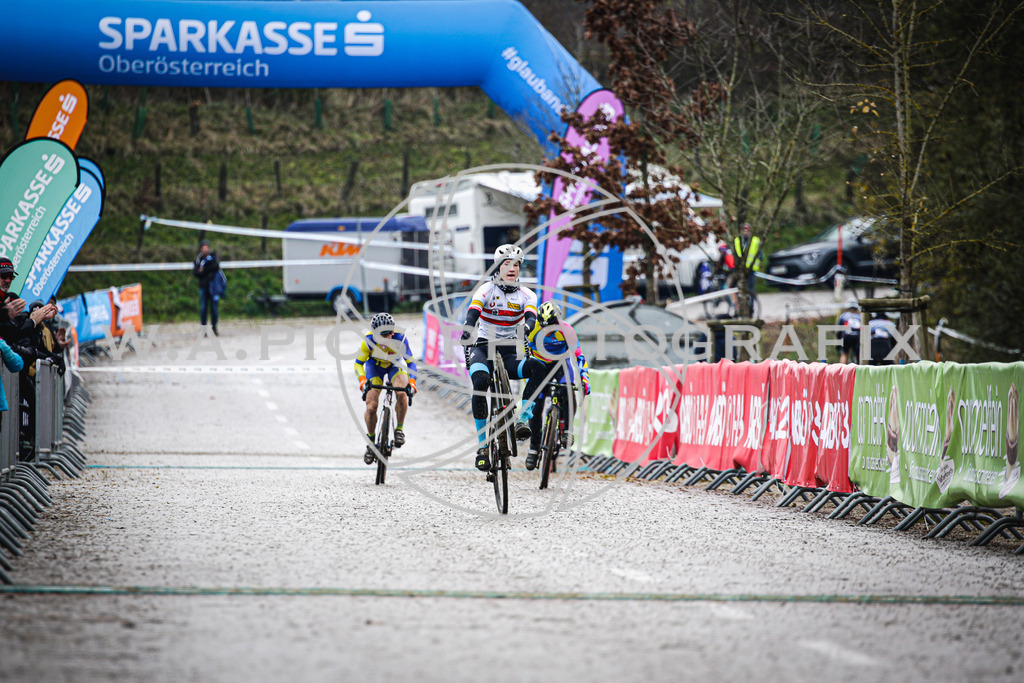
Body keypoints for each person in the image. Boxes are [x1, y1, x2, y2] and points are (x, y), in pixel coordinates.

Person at [462, 244, 547, 472]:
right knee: (480, 383)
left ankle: (522, 418)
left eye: (516, 264)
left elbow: (530, 317)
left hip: (509, 353)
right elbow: (473, 313)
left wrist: (526, 329)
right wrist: (468, 328)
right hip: (484, 349)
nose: (512, 268)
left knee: (539, 367)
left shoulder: (527, 294)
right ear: (498, 267)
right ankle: (482, 447)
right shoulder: (486, 290)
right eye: (507, 264)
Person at [524, 301, 591, 471]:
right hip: (539, 365)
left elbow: (579, 357)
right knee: (536, 406)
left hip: (560, 365)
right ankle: (534, 447)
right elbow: (524, 357)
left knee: (568, 391)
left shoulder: (566, 330)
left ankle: (567, 431)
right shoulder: (532, 331)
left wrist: (584, 380)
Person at [354, 312, 417, 465]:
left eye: (388, 334)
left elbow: (411, 364)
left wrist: (413, 383)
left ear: (393, 332)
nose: (386, 338)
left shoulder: (400, 339)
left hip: (394, 366)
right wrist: (363, 381)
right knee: (371, 406)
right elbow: (358, 364)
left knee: (401, 393)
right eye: (381, 335)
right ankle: (370, 443)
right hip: (374, 367)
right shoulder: (368, 341)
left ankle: (399, 430)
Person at [730, 223, 763, 314]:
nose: (745, 231)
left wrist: (759, 262)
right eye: (744, 229)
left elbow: (760, 254)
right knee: (736, 289)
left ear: (750, 230)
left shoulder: (755, 240)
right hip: (739, 269)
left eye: (747, 229)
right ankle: (738, 308)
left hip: (751, 270)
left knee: (750, 290)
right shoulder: (736, 240)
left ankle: (750, 309)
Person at [192, 239, 221, 335]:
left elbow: (216, 266)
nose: (205, 249)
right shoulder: (198, 259)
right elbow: (196, 272)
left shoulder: (213, 256)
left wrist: (203, 269)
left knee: (214, 308)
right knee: (203, 308)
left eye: (207, 247)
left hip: (213, 287)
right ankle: (203, 329)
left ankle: (214, 328)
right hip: (203, 286)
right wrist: (204, 270)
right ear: (201, 249)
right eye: (203, 248)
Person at [837, 299, 862, 364]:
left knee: (844, 353)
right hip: (857, 336)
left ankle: (842, 370)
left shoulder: (844, 316)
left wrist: (838, 341)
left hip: (846, 335)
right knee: (858, 355)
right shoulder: (860, 316)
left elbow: (839, 329)